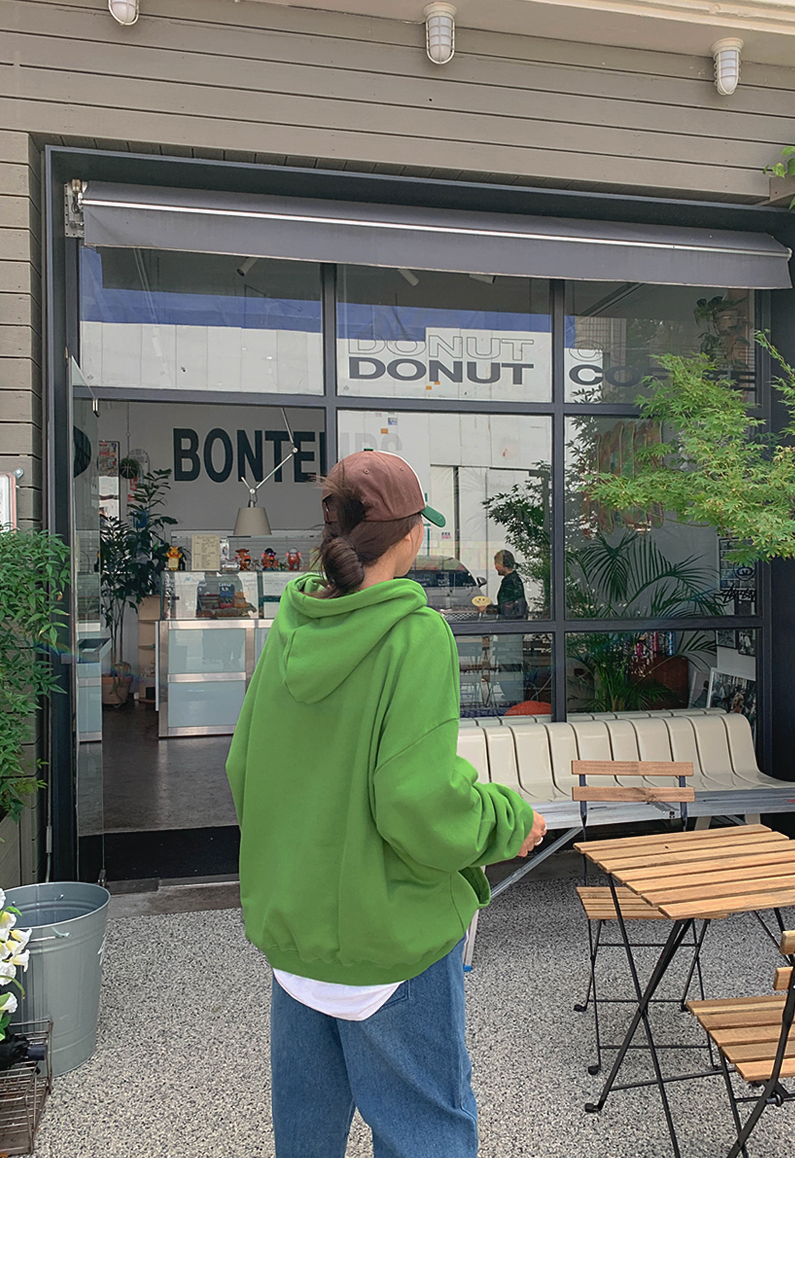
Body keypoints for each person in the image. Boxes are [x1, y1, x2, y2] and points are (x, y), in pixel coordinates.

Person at [226, 450, 545, 1158]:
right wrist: (510, 819)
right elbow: (417, 803)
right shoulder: (414, 634)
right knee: (426, 1145)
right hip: (388, 946)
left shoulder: (292, 626)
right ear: (411, 534)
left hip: (297, 942)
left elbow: (243, 766)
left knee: (304, 1154)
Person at [491, 549, 529, 619]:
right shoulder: (513, 580)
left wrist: (489, 608)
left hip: (511, 622)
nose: (496, 567)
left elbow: (505, 608)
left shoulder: (510, 582)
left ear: (503, 564)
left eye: (497, 564)